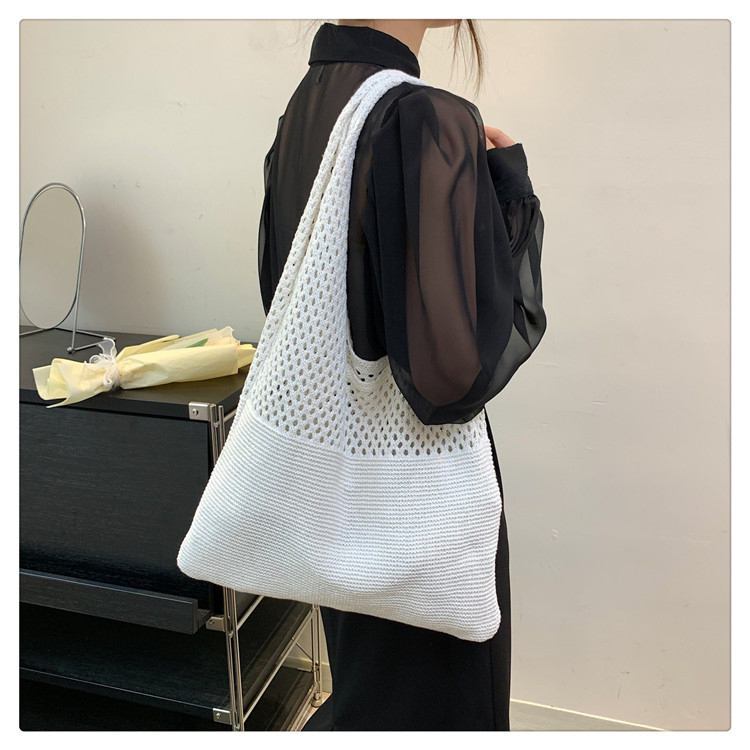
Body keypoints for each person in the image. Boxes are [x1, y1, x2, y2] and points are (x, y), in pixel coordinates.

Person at [257, 19, 547, 732]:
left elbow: (286, 303)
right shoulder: (424, 117)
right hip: (420, 512)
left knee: (369, 702)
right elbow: (453, 380)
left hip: (339, 493)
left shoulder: (304, 111)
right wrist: (511, 197)